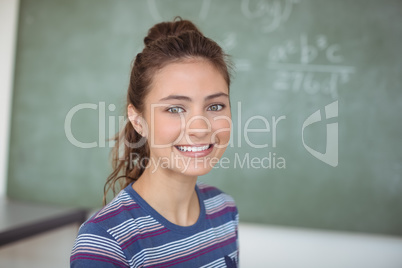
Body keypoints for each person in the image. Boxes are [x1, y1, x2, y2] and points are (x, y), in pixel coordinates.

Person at [70, 17, 239, 268]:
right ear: (138, 120)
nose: (200, 128)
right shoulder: (105, 243)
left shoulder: (224, 209)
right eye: (175, 109)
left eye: (215, 106)